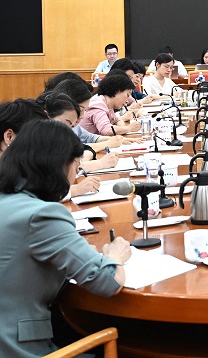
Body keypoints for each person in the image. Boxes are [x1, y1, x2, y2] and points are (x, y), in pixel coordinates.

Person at [0, 119, 130, 358]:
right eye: (77, 167)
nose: (75, 175)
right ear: (60, 165)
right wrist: (114, 256)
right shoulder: (42, 214)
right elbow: (108, 281)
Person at [33, 91, 107, 195]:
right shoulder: (36, 143)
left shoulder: (56, 139)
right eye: (67, 123)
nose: (69, 130)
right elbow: (40, 192)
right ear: (47, 116)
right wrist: (76, 190)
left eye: (72, 126)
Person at [48, 77, 125, 152]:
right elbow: (71, 150)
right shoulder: (53, 126)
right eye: (80, 110)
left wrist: (117, 140)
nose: (82, 116)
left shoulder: (74, 124)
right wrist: (106, 144)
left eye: (85, 110)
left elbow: (90, 137)